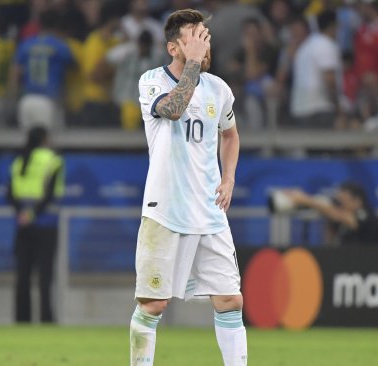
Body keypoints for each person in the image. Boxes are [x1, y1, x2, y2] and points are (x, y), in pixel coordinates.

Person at [132, 9, 246, 366]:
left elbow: (230, 135)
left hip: (210, 212)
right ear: (173, 47)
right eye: (194, 37)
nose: (203, 43)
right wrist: (194, 66)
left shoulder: (219, 90)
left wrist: (228, 179)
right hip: (165, 211)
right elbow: (174, 109)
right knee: (153, 304)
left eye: (205, 36)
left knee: (231, 299)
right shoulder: (152, 81)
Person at [7, 126, 64, 323]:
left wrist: (23, 214)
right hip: (45, 225)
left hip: (22, 225)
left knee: (22, 276)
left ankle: (22, 321)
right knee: (45, 277)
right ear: (44, 139)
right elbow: (49, 195)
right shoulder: (53, 160)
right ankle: (46, 321)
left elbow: (10, 194)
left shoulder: (18, 161)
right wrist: (32, 214)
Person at [12, 10, 74, 130]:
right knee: (48, 143)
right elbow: (73, 68)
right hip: (49, 100)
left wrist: (15, 99)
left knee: (28, 142)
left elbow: (15, 73)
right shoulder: (60, 46)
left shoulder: (25, 44)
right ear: (57, 25)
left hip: (26, 100)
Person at [279, 182, 378, 247]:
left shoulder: (369, 217)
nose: (339, 205)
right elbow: (330, 242)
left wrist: (305, 200)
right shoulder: (342, 224)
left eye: (343, 202)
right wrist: (329, 220)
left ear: (357, 201)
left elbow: (346, 218)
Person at [290, 10, 342, 129]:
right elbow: (330, 79)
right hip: (319, 109)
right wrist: (337, 105)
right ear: (333, 26)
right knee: (324, 146)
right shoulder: (326, 44)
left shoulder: (306, 46)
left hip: (300, 108)